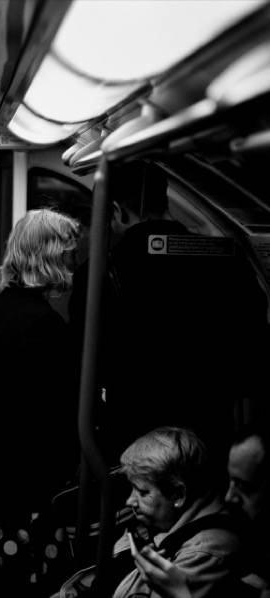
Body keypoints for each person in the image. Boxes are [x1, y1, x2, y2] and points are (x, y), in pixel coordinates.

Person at [69, 161, 269, 464]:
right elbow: (254, 351)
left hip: (135, 438)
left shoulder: (99, 274)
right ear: (163, 200)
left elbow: (85, 367)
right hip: (210, 434)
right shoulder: (228, 258)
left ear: (117, 211)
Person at [0, 209, 81, 597]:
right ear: (50, 255)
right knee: (43, 582)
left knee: (13, 578)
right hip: (26, 482)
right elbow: (53, 409)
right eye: (68, 252)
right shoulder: (44, 323)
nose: (73, 261)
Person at [130, 427, 270, 597]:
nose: (228, 497)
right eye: (230, 481)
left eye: (245, 486)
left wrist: (179, 592)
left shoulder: (204, 551)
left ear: (178, 495)